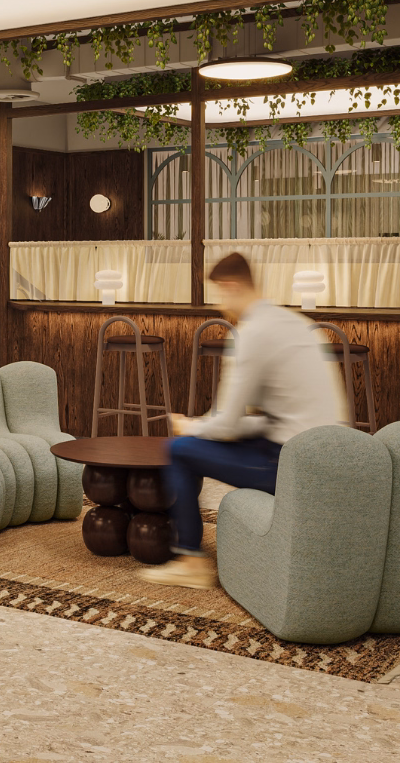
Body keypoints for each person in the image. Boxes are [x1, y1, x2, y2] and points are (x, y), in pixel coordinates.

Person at [139, 253, 342, 590]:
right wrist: (204, 425)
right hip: (324, 457)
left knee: (179, 450)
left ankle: (190, 561)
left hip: (291, 465)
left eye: (218, 294)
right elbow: (270, 422)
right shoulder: (293, 322)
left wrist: (191, 427)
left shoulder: (252, 334)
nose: (219, 306)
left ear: (230, 286)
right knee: (199, 439)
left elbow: (228, 425)